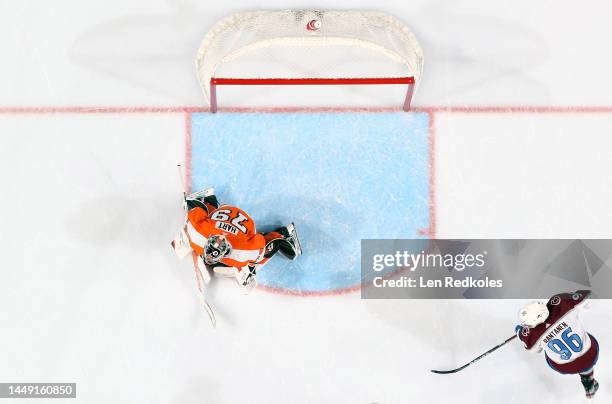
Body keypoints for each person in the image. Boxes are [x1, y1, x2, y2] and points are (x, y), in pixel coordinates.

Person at [171, 187, 302, 292]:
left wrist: (248, 270)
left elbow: (260, 242)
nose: (208, 260)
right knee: (200, 213)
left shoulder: (242, 252)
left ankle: (284, 235)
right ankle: (208, 199)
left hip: (243, 221)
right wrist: (185, 236)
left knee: (260, 257)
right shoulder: (198, 233)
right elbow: (194, 214)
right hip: (225, 213)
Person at [516, 290, 599, 399]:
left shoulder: (532, 334)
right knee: (584, 348)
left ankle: (585, 375)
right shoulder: (561, 304)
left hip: (564, 367)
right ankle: (588, 379)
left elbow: (533, 350)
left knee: (546, 351)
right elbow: (588, 298)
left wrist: (519, 331)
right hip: (590, 355)